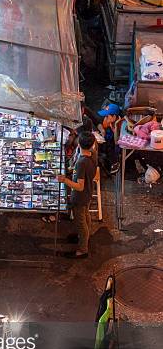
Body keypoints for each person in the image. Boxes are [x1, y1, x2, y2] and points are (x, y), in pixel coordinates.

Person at [57, 131, 97, 259]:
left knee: (80, 222)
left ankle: (82, 249)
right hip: (88, 192)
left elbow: (80, 186)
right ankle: (84, 237)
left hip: (80, 196)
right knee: (85, 216)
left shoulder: (82, 163)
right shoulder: (93, 154)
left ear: (79, 143)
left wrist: (65, 180)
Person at [97, 102, 121, 174]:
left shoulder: (120, 124)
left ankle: (115, 164)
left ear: (114, 117)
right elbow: (101, 125)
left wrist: (115, 127)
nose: (105, 118)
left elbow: (117, 142)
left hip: (116, 145)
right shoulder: (108, 121)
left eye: (107, 116)